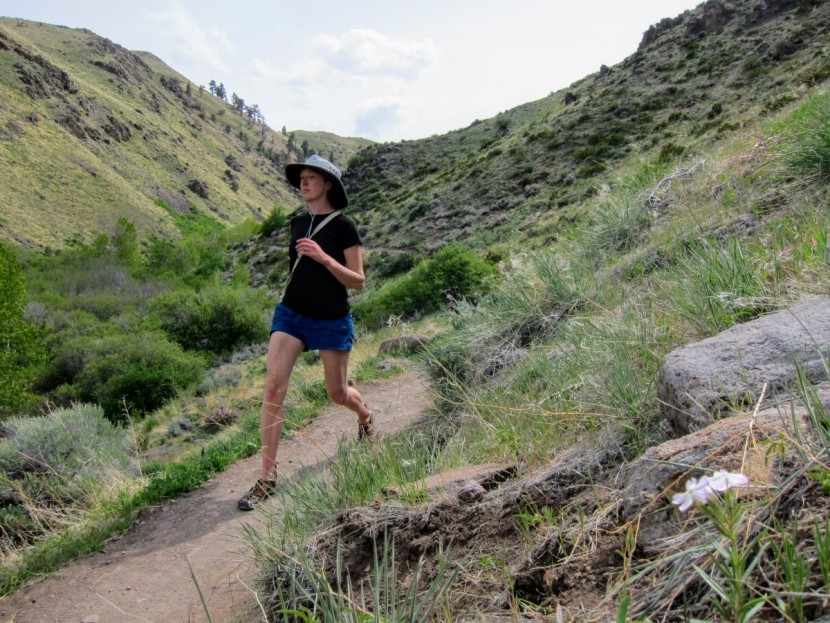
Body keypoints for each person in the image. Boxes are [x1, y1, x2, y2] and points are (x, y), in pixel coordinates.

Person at [238, 154, 375, 511]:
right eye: (302, 177)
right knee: (273, 386)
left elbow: (358, 282)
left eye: (312, 177)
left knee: (338, 394)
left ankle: (365, 416)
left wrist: (324, 258)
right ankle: (267, 477)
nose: (304, 182)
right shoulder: (298, 223)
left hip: (331, 319)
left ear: (328, 184)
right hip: (292, 315)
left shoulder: (345, 226)